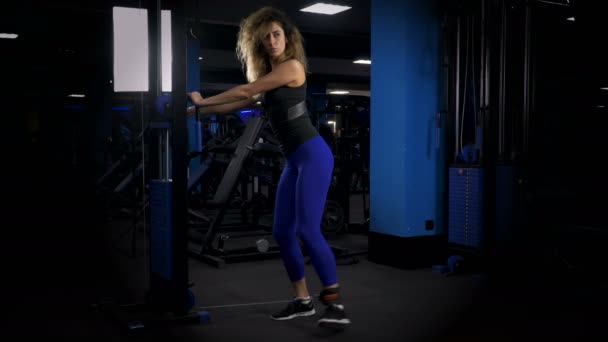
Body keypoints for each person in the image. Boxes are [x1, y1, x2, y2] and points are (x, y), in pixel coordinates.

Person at [186, 6, 350, 329]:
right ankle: (302, 300)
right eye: (266, 38)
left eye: (277, 34)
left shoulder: (292, 67)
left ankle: (335, 304)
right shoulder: (270, 79)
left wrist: (203, 100)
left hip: (313, 154)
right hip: (294, 159)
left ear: (287, 38)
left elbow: (247, 90)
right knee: (281, 231)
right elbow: (245, 102)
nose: (272, 41)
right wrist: (200, 113)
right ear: (260, 44)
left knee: (307, 230)